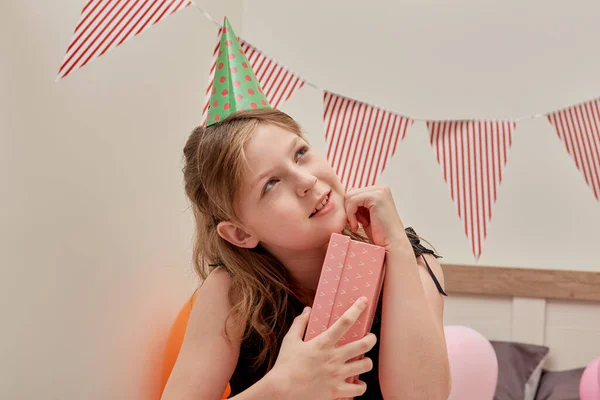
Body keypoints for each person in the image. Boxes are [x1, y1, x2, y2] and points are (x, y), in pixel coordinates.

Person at [161, 18, 450, 400]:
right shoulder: (231, 293)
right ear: (240, 233)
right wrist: (282, 388)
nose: (306, 181)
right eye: (270, 184)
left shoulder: (409, 260)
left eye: (300, 153)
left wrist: (395, 241)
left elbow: (423, 396)